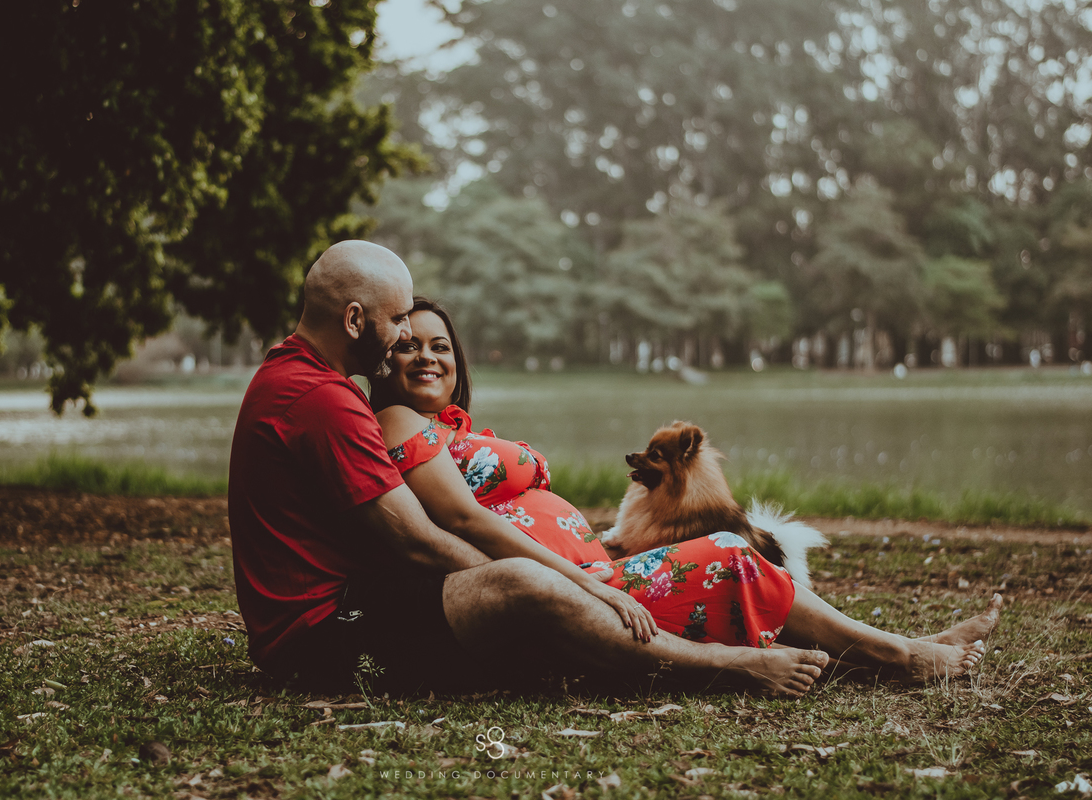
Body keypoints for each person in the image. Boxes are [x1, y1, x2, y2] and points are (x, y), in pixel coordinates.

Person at [231, 240, 832, 698]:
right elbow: (417, 541)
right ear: (355, 319)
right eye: (396, 326)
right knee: (528, 587)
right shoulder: (321, 398)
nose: (401, 341)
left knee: (690, 562)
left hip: (354, 605)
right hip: (322, 634)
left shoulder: (299, 380)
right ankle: (735, 666)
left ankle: (881, 653)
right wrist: (547, 584)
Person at [367, 297, 1002, 687]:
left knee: (730, 555)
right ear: (384, 361)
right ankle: (902, 654)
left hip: (591, 576)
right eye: (409, 345)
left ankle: (896, 652)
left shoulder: (449, 429)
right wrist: (587, 580)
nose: (427, 356)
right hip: (573, 590)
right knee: (727, 553)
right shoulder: (398, 420)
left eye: (441, 345)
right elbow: (466, 519)